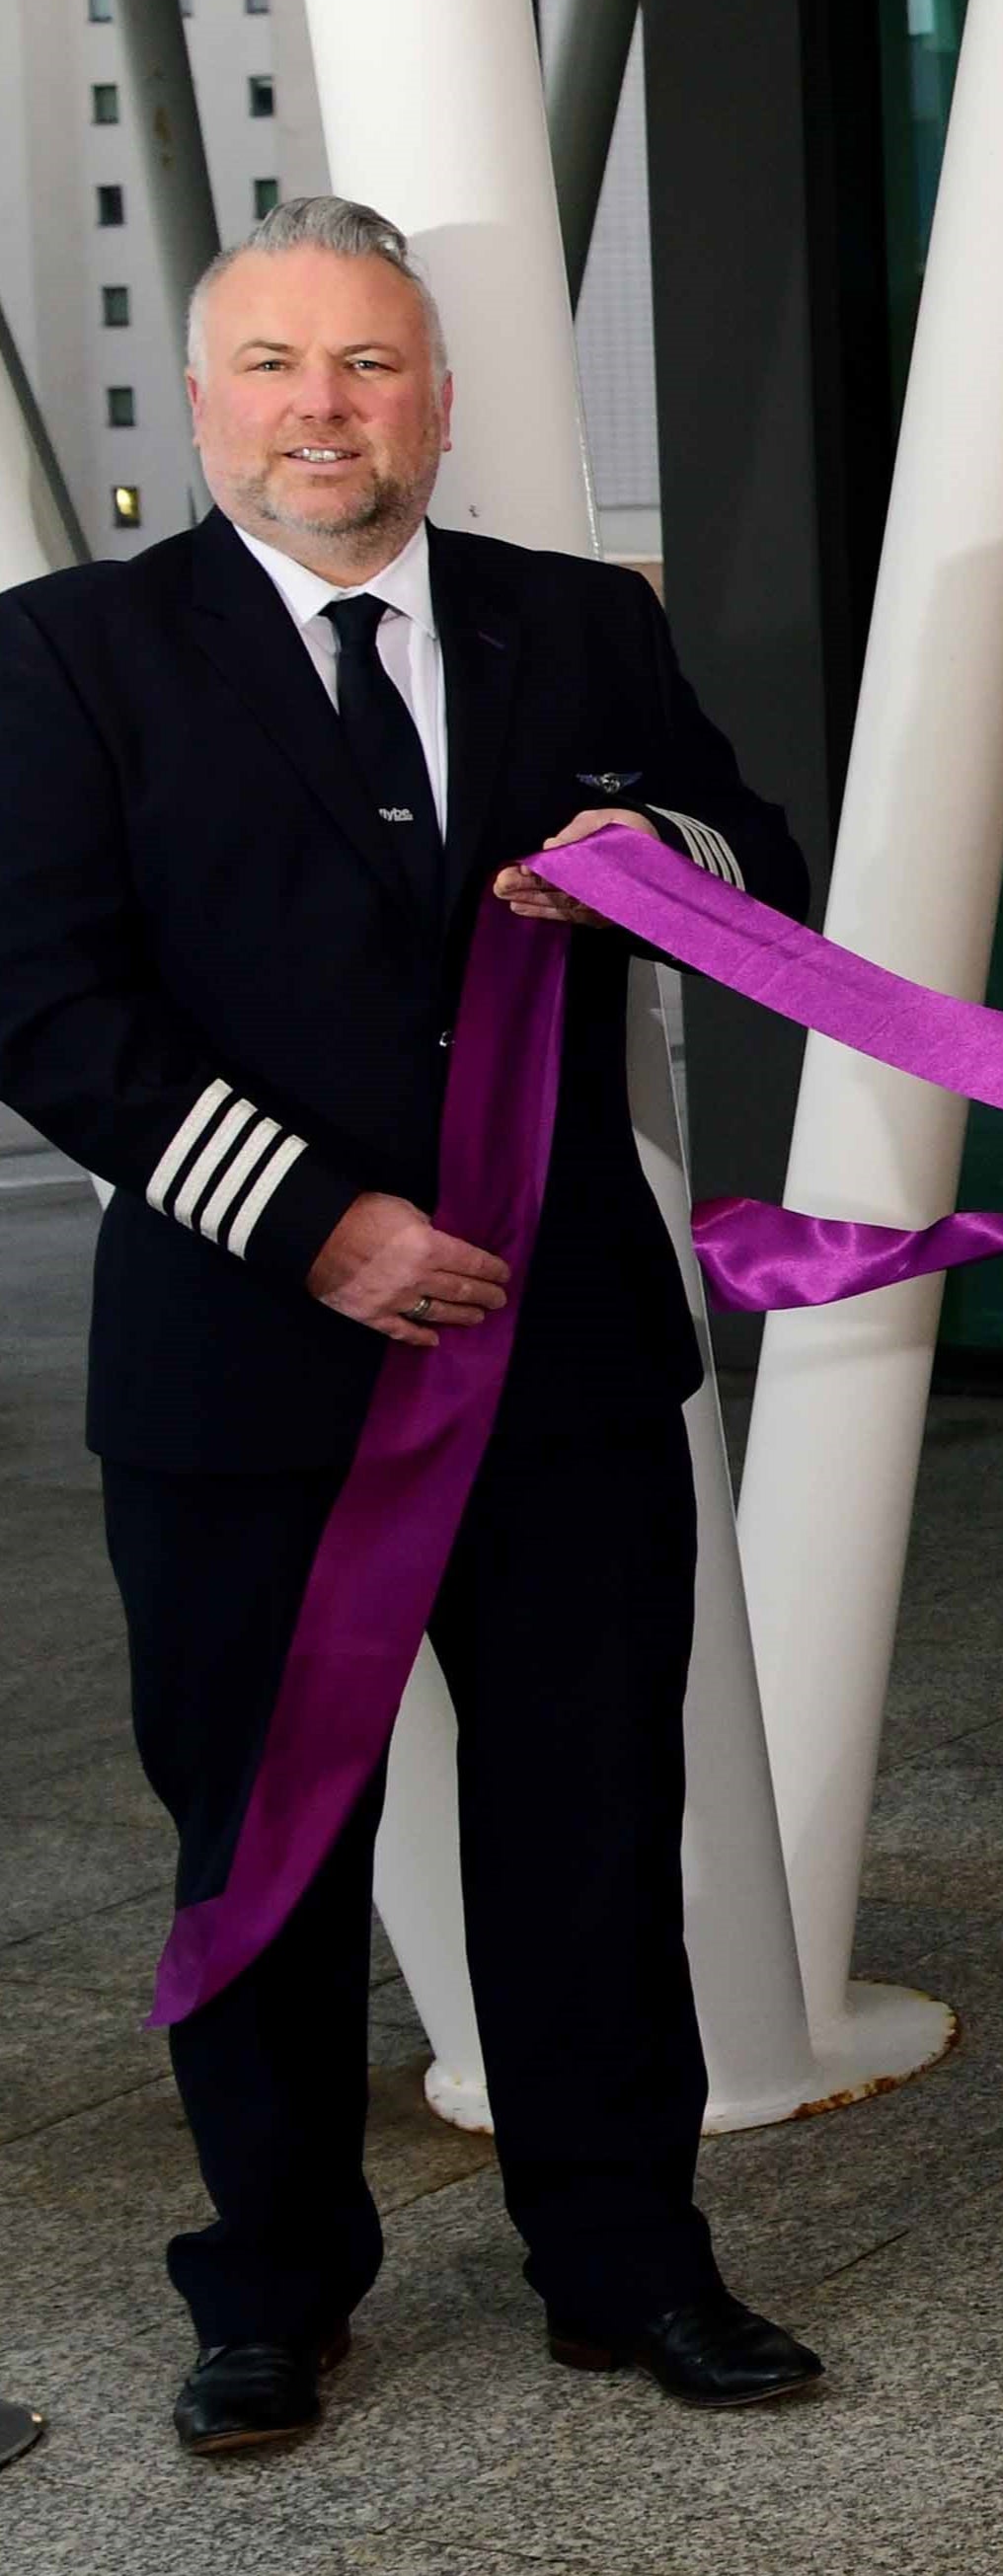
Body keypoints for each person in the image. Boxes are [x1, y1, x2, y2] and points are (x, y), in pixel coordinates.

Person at [0, 197, 828, 2454]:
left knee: (586, 1818)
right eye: (275, 367)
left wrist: (641, 855)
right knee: (265, 1843)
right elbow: (42, 1004)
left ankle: (627, 2262)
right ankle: (269, 2285)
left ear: (439, 401)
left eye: (368, 367)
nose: (323, 413)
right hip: (243, 1373)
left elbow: (759, 869)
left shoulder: (576, 629)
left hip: (551, 1361)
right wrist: (319, 1228)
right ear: (198, 404)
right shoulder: (71, 652)